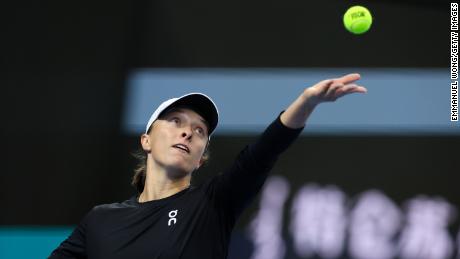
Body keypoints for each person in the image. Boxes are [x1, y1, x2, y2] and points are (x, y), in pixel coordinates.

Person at [49, 73, 366, 259]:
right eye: (175, 121)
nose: (187, 131)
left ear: (201, 158)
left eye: (199, 131)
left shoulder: (212, 204)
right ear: (146, 140)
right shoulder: (101, 221)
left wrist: (306, 103)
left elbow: (261, 155)